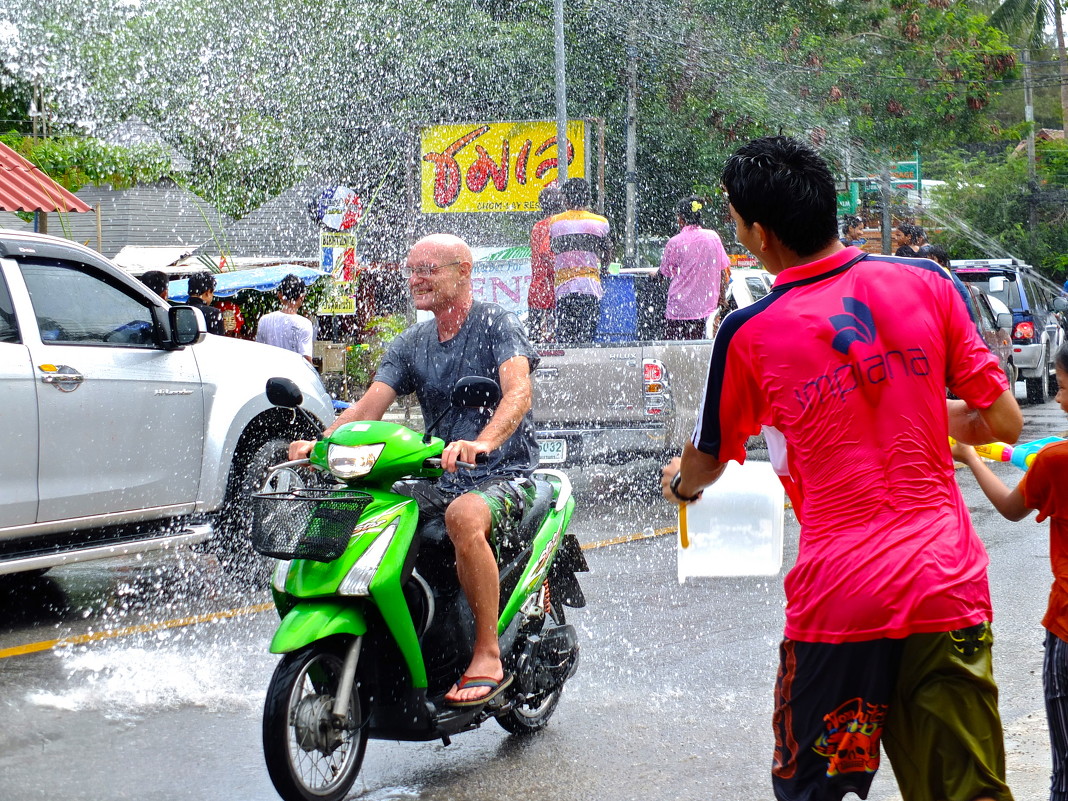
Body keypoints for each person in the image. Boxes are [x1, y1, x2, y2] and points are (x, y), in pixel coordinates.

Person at [660, 135, 1022, 801]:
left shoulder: (750, 332)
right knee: (968, 793)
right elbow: (1003, 423)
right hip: (946, 589)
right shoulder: (929, 283)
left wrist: (680, 484)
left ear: (760, 235)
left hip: (841, 606)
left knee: (818, 794)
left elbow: (709, 461)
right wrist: (909, 404)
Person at [288, 233, 540, 707]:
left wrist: (483, 442)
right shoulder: (410, 343)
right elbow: (367, 408)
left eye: (429, 269)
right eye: (412, 270)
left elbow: (518, 393)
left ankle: (486, 654)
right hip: (440, 474)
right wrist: (319, 446)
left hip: (505, 471)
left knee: (464, 517)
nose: (416, 279)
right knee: (367, 509)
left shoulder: (495, 323)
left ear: (463, 271)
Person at [952, 343, 1068, 801]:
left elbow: (1010, 508)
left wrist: (972, 458)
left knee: (1065, 778)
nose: (1058, 400)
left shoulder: (1058, 462)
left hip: (1067, 632)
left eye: (1062, 388)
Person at [658, 195, 731, 340]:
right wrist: (721, 298)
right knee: (703, 349)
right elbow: (723, 271)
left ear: (680, 219)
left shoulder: (675, 242)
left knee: (675, 351)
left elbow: (665, 272)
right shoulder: (713, 237)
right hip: (707, 309)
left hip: (678, 309)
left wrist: (655, 277)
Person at [549, 177, 612, 343]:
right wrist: (603, 268)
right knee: (587, 338)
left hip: (564, 288)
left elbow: (554, 249)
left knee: (566, 338)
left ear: (566, 198)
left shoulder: (555, 222)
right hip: (589, 286)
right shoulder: (600, 222)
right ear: (587, 197)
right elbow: (607, 252)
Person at [527, 184, 564, 341]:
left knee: (535, 341)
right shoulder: (556, 223)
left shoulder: (537, 226)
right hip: (552, 291)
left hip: (537, 290)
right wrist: (563, 269)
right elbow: (546, 252)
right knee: (556, 342)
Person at [255, 274, 313, 362]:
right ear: (302, 297)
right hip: (292, 375)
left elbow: (258, 353)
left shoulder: (264, 320)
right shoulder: (304, 324)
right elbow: (306, 360)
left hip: (269, 374)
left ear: (280, 295)